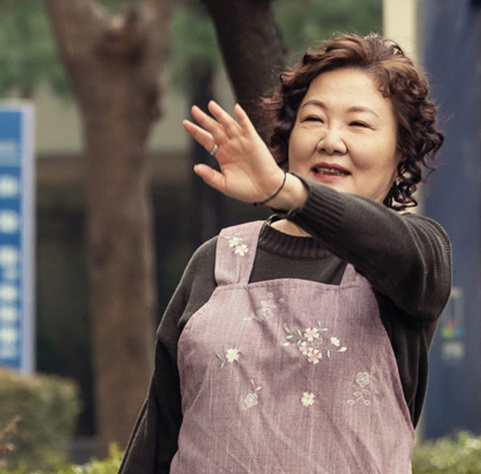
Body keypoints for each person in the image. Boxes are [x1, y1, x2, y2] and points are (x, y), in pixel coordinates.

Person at [118, 33, 452, 474]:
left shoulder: (415, 260)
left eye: (358, 124)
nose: (331, 141)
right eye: (313, 119)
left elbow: (392, 244)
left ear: (401, 152)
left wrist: (287, 191)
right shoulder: (215, 260)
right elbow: (157, 439)